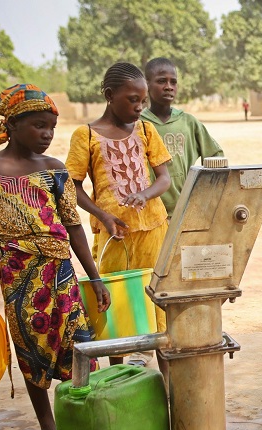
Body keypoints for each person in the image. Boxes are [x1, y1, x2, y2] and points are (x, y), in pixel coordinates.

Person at [0, 84, 110, 430]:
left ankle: (84, 424)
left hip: (59, 273)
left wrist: (93, 278)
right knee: (30, 350)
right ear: (11, 125)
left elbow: (74, 226)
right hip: (16, 276)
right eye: (39, 126)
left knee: (78, 347)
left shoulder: (55, 170)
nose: (47, 135)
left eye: (51, 129)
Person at [66, 62, 172, 372]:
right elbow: (72, 186)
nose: (140, 107)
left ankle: (166, 379)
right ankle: (117, 374)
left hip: (153, 228)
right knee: (114, 304)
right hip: (114, 235)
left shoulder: (145, 129)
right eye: (132, 100)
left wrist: (146, 194)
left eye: (142, 101)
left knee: (159, 301)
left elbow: (164, 178)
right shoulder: (85, 135)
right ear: (110, 96)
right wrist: (103, 215)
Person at [141, 57, 224, 217]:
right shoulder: (138, 124)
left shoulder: (188, 123)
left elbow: (215, 156)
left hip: (184, 211)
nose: (168, 87)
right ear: (147, 85)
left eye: (173, 82)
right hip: (149, 214)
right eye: (161, 81)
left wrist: (202, 192)